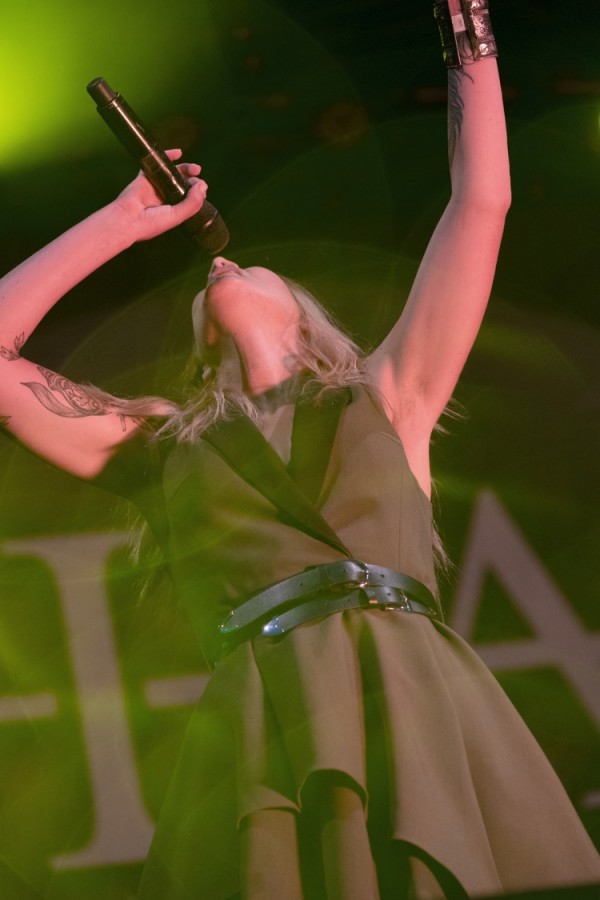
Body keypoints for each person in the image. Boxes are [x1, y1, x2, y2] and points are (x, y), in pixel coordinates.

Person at [1, 2, 599, 897]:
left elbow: (481, 203)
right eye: (209, 283)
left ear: (307, 319)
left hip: (411, 695)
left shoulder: (388, 395)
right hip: (268, 722)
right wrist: (121, 223)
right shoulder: (162, 447)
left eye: (255, 268)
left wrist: (468, 27)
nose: (220, 265)